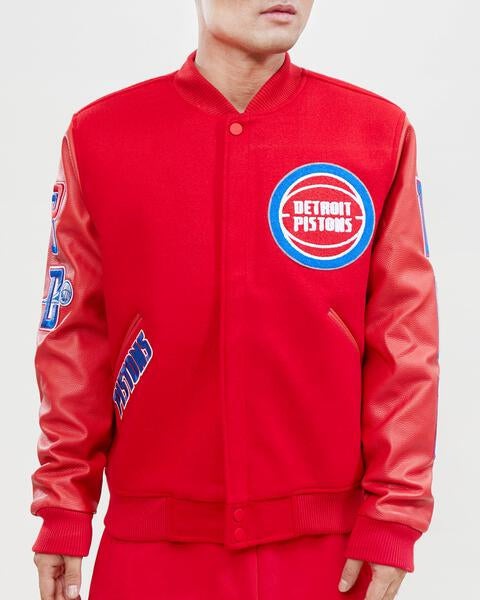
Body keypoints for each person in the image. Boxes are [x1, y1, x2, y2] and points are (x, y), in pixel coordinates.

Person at [30, 1, 440, 599]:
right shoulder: (102, 136)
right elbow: (74, 337)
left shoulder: (374, 132)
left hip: (330, 555)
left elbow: (406, 341)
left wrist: (395, 514)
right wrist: (64, 506)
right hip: (151, 550)